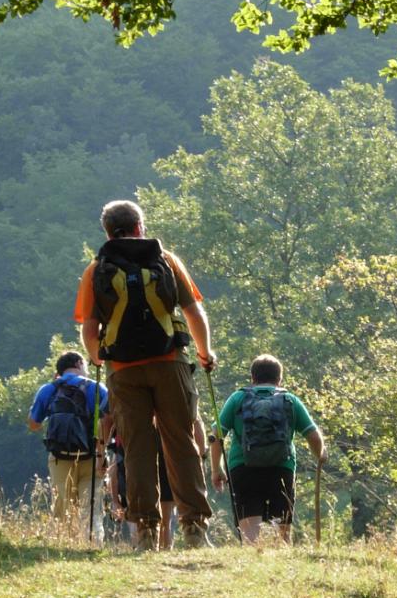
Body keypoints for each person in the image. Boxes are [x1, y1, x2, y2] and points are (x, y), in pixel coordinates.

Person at [76, 199, 217, 550]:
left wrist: (97, 358)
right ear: (140, 226)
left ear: (108, 231)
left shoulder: (98, 269)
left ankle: (146, 532)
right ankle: (194, 528)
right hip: (169, 362)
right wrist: (204, 353)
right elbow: (193, 311)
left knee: (137, 449)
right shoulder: (166, 260)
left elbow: (89, 327)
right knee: (181, 442)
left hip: (123, 370)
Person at [211, 353, 324, 544]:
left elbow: (216, 435)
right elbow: (313, 435)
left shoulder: (237, 398)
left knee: (250, 537)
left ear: (252, 378)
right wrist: (321, 454)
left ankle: (252, 566)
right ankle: (281, 569)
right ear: (279, 379)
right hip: (281, 468)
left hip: (243, 468)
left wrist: (217, 469)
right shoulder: (290, 400)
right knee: (282, 536)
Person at [27, 351, 111, 541]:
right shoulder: (96, 388)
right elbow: (108, 421)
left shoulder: (48, 389)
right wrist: (102, 454)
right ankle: (92, 548)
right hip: (91, 457)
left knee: (64, 509)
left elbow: (34, 424)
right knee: (91, 510)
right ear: (80, 363)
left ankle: (63, 548)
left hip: (60, 458)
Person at [108, 415, 210, 550]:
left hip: (145, 465)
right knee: (166, 520)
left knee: (151, 517)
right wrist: (202, 455)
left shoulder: (133, 422)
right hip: (167, 463)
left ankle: (146, 542)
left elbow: (115, 463)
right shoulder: (171, 422)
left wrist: (115, 499)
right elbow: (195, 420)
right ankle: (173, 544)